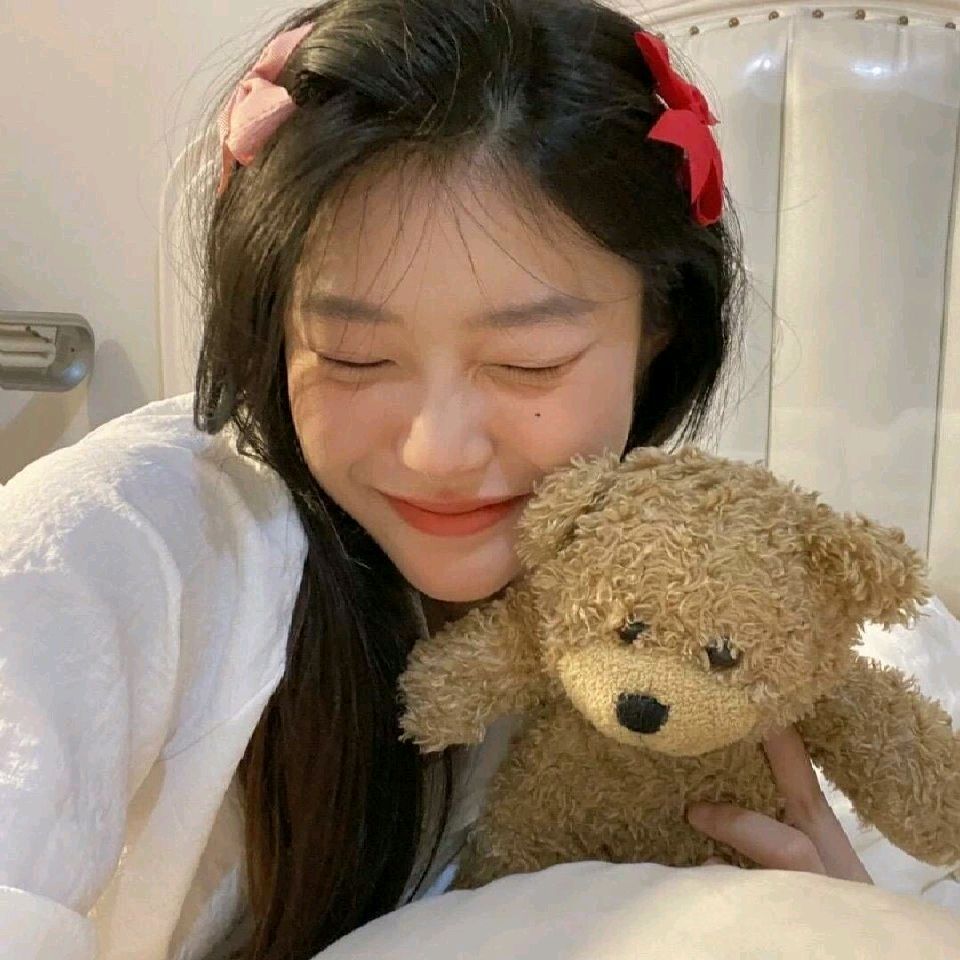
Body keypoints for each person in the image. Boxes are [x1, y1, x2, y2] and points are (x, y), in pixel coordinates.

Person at [0, 1, 873, 959]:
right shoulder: (115, 544)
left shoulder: (670, 591)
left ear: (657, 333)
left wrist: (834, 922)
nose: (437, 453)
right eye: (354, 355)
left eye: (529, 363)